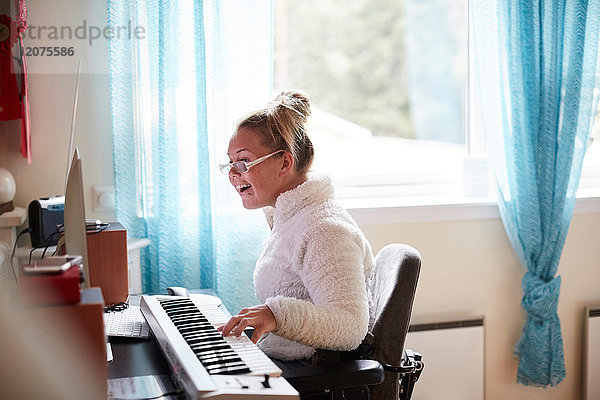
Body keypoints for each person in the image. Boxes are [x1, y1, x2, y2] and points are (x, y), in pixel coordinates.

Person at [217, 90, 374, 363]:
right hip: (285, 361)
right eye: (230, 163)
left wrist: (276, 315)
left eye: (243, 162)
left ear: (285, 162)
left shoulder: (324, 229)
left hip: (307, 376)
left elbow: (350, 326)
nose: (233, 174)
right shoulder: (290, 219)